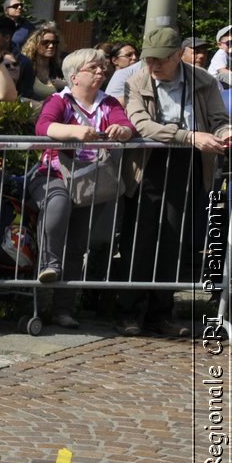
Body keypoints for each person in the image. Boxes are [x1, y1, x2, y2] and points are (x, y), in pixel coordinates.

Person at [120, 26, 232, 336]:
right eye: (148, 60)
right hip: (148, 165)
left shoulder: (203, 81)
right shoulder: (135, 82)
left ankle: (161, 314)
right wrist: (188, 136)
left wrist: (225, 134)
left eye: (158, 60)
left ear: (175, 57)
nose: (152, 66)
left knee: (173, 239)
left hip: (189, 163)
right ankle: (129, 312)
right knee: (139, 239)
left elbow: (218, 121)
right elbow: (141, 124)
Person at [26, 48, 136, 329]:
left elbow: (124, 125)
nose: (101, 72)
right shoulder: (58, 100)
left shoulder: (108, 103)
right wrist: (74, 132)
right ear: (75, 76)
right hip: (52, 174)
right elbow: (43, 126)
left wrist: (122, 131)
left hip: (91, 182)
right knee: (58, 203)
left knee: (76, 247)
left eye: (102, 68)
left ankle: (63, 309)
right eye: (94, 68)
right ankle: (48, 266)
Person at [14, 26, 66, 105]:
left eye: (54, 43)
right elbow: (18, 96)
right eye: (45, 42)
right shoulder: (24, 66)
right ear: (35, 44)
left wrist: (65, 84)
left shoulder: (58, 69)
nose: (51, 46)